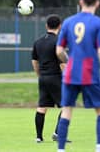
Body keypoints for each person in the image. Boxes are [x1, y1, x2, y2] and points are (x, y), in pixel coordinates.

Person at [56, 0, 100, 152]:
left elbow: (59, 51)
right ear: (97, 3)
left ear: (80, 2)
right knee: (99, 110)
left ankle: (60, 149)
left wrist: (69, 62)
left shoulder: (68, 22)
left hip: (70, 73)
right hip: (90, 73)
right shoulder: (98, 23)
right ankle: (99, 147)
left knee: (66, 110)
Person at [32, 14, 70, 143]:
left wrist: (39, 75)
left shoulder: (38, 42)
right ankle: (58, 134)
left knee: (42, 107)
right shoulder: (59, 42)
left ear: (46, 26)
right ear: (60, 26)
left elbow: (35, 62)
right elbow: (62, 63)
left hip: (43, 77)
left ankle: (39, 137)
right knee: (66, 106)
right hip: (56, 77)